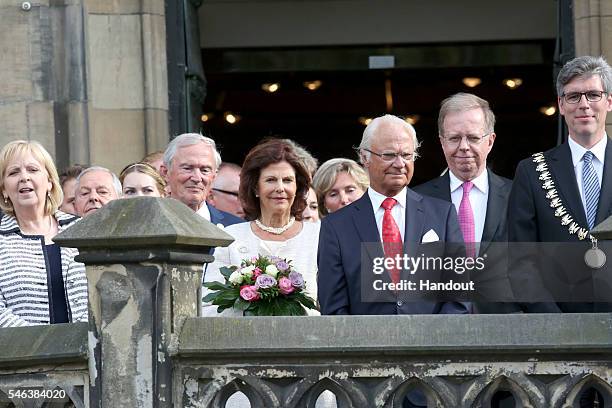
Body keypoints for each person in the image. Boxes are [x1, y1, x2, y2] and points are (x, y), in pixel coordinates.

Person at [317, 114, 469, 315]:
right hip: (365, 344)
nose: (400, 164)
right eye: (389, 155)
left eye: (406, 155)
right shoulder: (336, 226)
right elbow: (334, 307)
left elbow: (458, 296)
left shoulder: (442, 215)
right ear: (364, 157)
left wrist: (435, 342)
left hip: (432, 343)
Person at [508, 55, 612, 314]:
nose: (584, 105)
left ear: (609, 101)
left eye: (593, 95)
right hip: (559, 328)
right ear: (561, 105)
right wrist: (554, 324)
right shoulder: (532, 172)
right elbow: (521, 261)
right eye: (574, 96)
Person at [413, 93, 520, 314]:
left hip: (506, 327)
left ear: (490, 141)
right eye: (454, 138)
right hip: (439, 328)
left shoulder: (519, 196)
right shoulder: (417, 201)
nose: (463, 147)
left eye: (472, 138)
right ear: (442, 143)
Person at [203, 139, 320, 316]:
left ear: (297, 187)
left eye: (287, 180)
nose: (280, 188)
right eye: (271, 180)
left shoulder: (320, 236)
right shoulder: (230, 237)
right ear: (256, 188)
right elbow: (209, 308)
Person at [0, 140, 88, 327]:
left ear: (49, 182)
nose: (24, 177)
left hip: (89, 350)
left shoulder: (82, 231)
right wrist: (44, 342)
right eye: (14, 172)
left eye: (32, 169)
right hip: (26, 353)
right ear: (4, 190)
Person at [160, 133, 242, 227]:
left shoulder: (236, 228)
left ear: (214, 177)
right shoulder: (145, 224)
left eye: (205, 170)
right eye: (187, 168)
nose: (197, 178)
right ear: (165, 172)